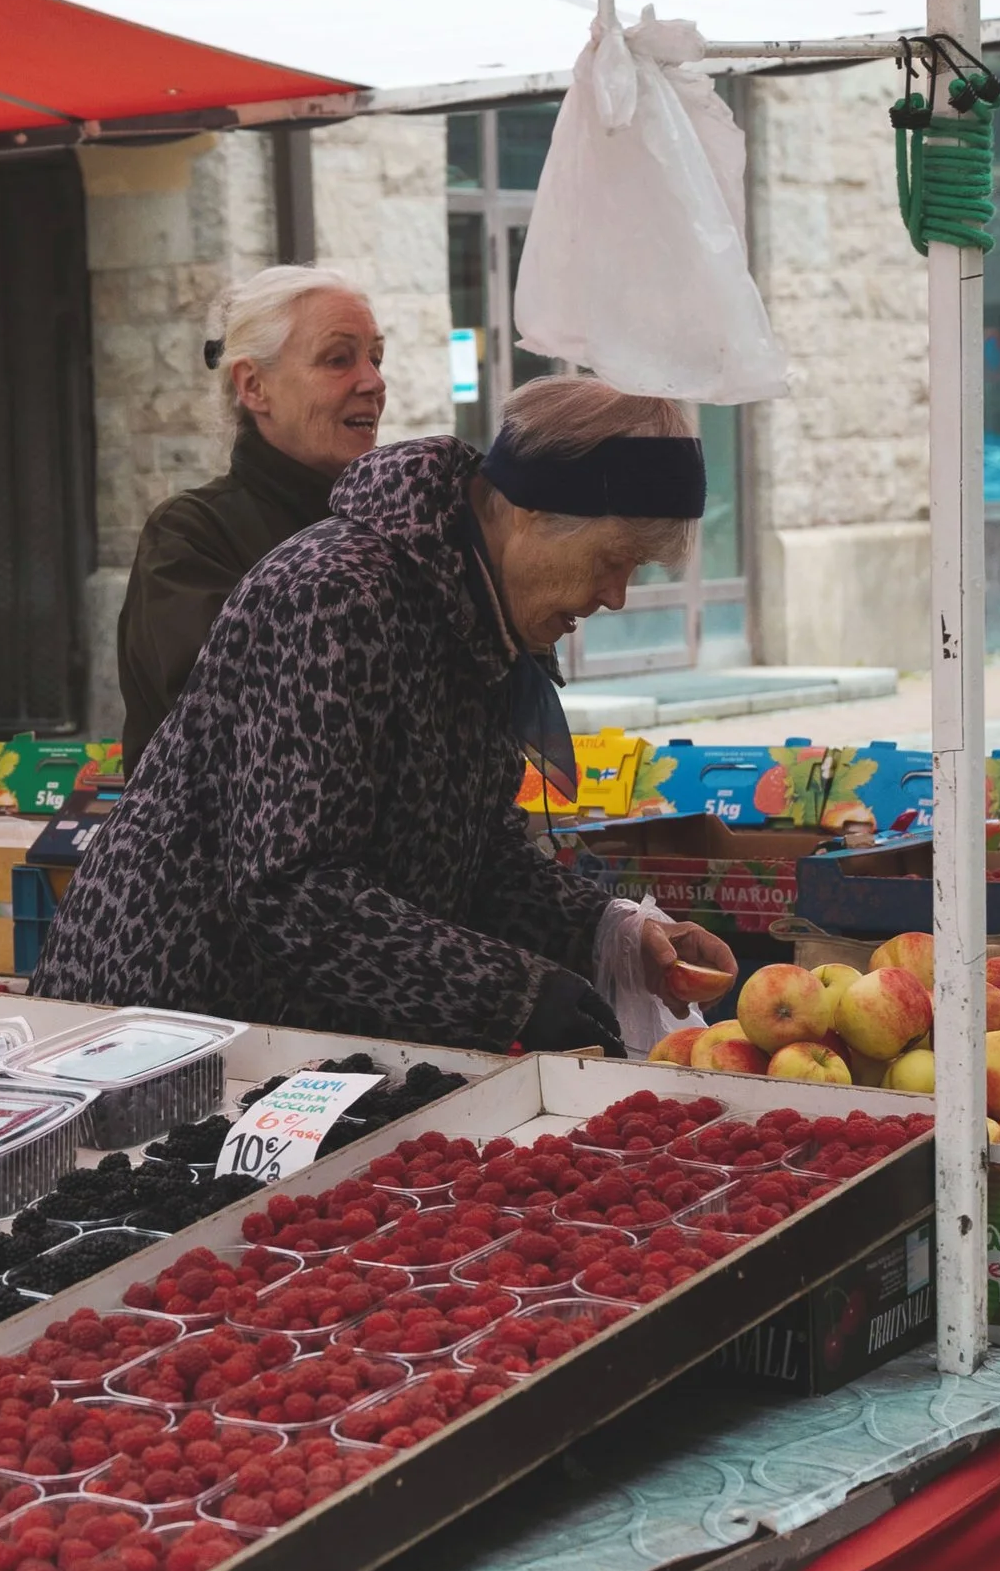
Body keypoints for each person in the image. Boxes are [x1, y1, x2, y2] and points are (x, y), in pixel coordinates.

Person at [37, 378, 734, 1050]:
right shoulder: (337, 598)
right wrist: (508, 994)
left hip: (287, 1037)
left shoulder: (476, 615)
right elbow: (291, 885)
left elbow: (476, 857)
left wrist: (610, 932)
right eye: (614, 560)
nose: (615, 596)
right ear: (533, 511)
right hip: (164, 1023)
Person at [116, 263, 388, 770]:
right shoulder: (191, 536)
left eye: (375, 356)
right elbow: (251, 723)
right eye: (338, 360)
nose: (373, 381)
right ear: (255, 386)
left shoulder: (392, 530)